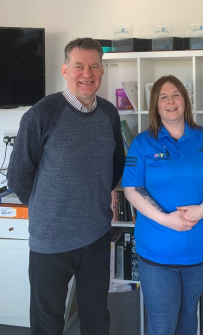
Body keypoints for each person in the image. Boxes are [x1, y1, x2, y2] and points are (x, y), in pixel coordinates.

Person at [7, 37, 125, 335]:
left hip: (96, 236)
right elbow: (19, 175)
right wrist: (50, 209)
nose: (87, 73)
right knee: (48, 323)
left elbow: (116, 164)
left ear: (102, 70)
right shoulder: (42, 114)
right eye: (79, 66)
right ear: (64, 69)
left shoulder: (109, 113)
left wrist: (92, 199)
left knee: (96, 317)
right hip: (51, 240)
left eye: (94, 66)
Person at [122, 75, 203, 335]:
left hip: (200, 248)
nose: (170, 101)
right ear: (155, 104)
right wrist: (167, 220)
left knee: (189, 315)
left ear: (185, 101)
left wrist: (202, 210)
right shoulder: (142, 143)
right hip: (157, 251)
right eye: (163, 96)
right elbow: (131, 189)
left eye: (176, 94)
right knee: (163, 324)